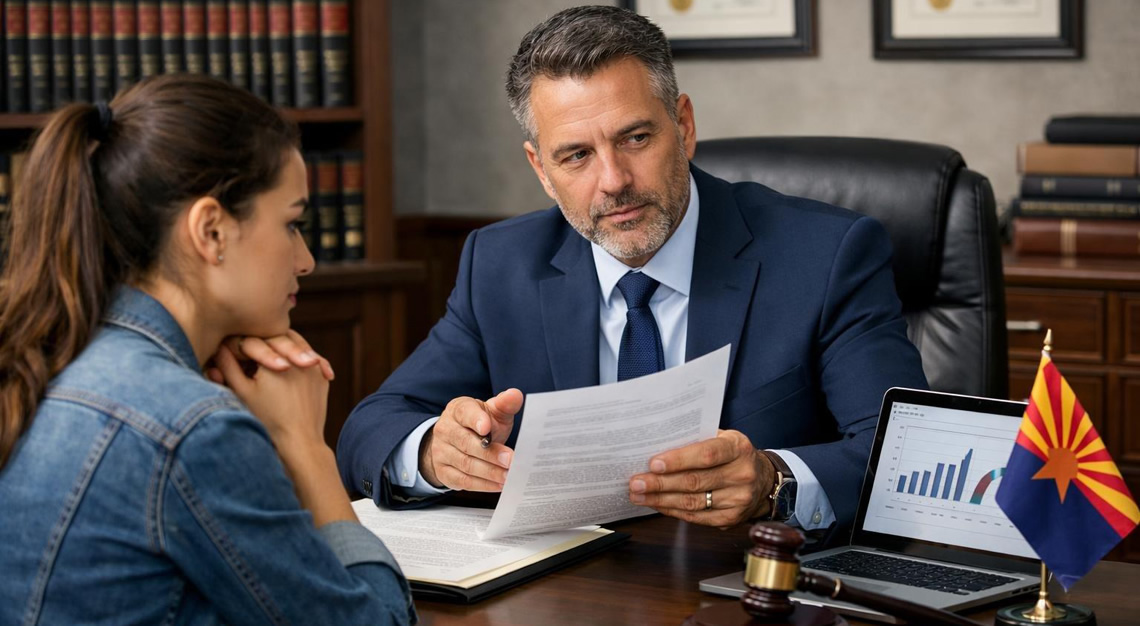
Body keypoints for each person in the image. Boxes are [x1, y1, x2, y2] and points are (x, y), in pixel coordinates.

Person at [336, 5, 927, 534]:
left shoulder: (825, 255)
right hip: (570, 593)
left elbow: (905, 456)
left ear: (684, 126)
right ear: (541, 169)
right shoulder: (501, 264)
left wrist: (776, 481)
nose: (613, 181)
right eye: (576, 156)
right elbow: (371, 427)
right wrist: (434, 453)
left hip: (748, 585)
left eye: (636, 138)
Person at [0, 75, 416, 625]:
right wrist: (306, 448)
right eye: (293, 224)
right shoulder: (192, 429)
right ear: (211, 231)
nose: (307, 260)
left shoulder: (51, 355)